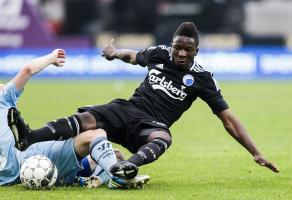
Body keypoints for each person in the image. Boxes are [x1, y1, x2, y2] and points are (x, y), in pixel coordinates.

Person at [10, 22, 279, 179]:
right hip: (128, 109)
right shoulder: (160, 54)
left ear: (197, 50)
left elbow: (228, 120)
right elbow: (134, 56)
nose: (181, 54)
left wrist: (255, 152)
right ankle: (29, 137)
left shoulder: (203, 79)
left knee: (164, 137)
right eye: (178, 47)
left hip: (150, 126)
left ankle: (129, 165)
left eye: (188, 49)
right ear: (171, 46)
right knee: (88, 118)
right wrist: (114, 52)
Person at [0, 49, 148, 188]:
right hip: (37, 153)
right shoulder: (3, 98)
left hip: (24, 173)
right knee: (96, 134)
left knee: (116, 155)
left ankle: (87, 179)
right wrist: (52, 58)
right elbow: (27, 70)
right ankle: (118, 178)